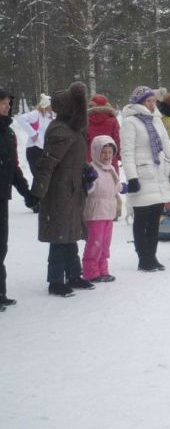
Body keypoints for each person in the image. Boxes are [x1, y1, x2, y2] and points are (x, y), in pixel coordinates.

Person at [29, 82, 96, 297]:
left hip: (72, 189)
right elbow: (46, 163)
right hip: (59, 191)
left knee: (71, 233)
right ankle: (56, 280)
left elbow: (72, 158)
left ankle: (74, 275)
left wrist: (85, 169)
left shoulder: (71, 128)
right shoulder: (61, 130)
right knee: (60, 236)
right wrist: (36, 192)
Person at [121, 85, 170, 271]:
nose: (151, 104)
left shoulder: (157, 119)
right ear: (139, 102)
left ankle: (152, 255)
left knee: (155, 218)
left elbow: (167, 145)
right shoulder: (130, 122)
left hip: (158, 174)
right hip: (142, 175)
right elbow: (127, 152)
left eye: (153, 101)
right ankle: (143, 258)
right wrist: (132, 177)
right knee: (142, 218)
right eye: (148, 101)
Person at [1, 86, 37, 309]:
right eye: (3, 102)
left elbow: (13, 167)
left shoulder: (9, 131)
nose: (7, 106)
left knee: (1, 246)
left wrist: (27, 194)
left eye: (8, 102)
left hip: (2, 196)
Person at [82, 136, 126, 283]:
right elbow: (89, 189)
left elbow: (116, 186)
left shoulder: (111, 169)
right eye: (103, 152)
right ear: (95, 152)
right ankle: (90, 272)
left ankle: (103, 270)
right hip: (95, 213)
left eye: (109, 152)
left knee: (105, 243)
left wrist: (126, 187)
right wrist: (88, 182)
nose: (107, 156)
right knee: (95, 243)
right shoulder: (92, 169)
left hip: (108, 213)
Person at [18, 94, 54, 200]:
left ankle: (36, 199)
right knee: (38, 176)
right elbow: (21, 119)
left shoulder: (49, 116)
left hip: (43, 150)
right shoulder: (36, 114)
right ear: (46, 105)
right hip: (33, 149)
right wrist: (33, 133)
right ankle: (35, 200)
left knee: (41, 176)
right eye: (51, 105)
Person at [86, 93, 122, 169]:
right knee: (111, 179)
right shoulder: (112, 120)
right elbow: (117, 139)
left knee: (93, 179)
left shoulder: (86, 121)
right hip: (109, 157)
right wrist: (119, 155)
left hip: (91, 158)